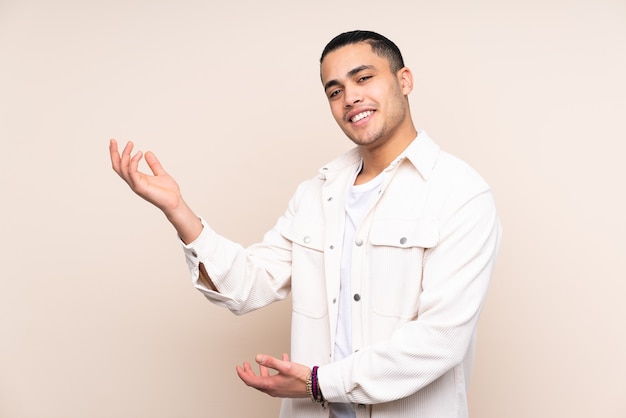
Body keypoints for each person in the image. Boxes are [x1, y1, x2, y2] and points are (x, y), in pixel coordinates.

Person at [110, 30, 501, 418]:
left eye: (364, 78)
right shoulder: (316, 194)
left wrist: (319, 383)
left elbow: (441, 339)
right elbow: (246, 287)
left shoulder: (460, 193)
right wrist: (178, 210)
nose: (350, 98)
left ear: (404, 81)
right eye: (334, 91)